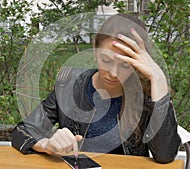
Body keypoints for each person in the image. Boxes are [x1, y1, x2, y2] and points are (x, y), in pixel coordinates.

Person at [11, 13, 181, 164]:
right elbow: (23, 131)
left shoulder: (147, 94)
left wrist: (158, 81)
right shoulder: (70, 85)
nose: (113, 73)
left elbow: (165, 155)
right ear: (95, 50)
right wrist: (46, 145)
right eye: (106, 60)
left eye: (125, 64)